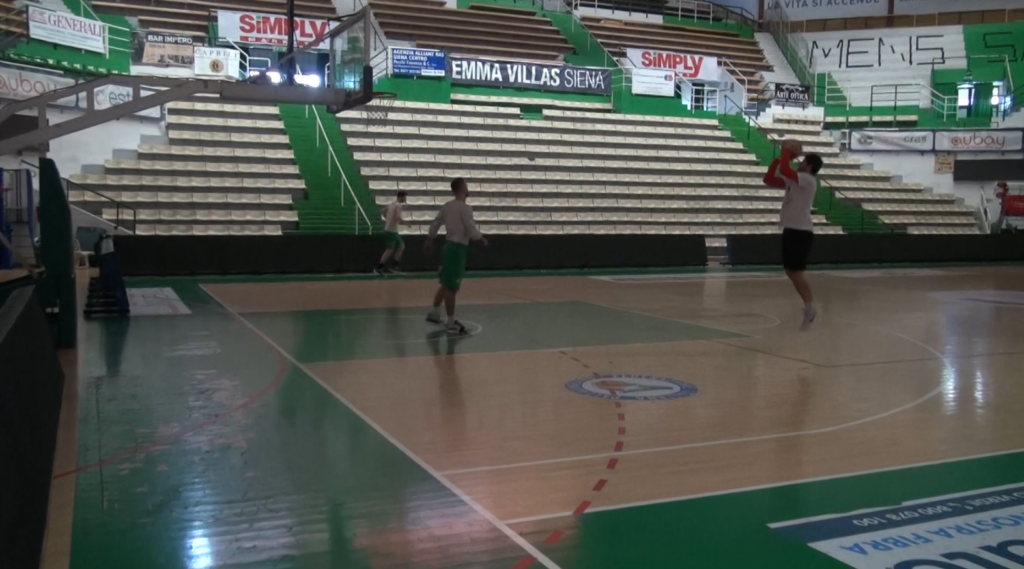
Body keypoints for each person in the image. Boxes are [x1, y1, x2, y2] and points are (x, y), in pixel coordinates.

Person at [762, 140, 824, 331]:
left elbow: (786, 170)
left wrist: (787, 153)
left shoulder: (808, 180)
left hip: (801, 231)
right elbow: (769, 179)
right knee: (791, 271)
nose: (800, 163)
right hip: (791, 229)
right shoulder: (795, 180)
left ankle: (811, 307)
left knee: (795, 271)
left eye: (803, 161)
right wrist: (778, 159)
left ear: (810, 166)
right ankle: (809, 306)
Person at [425, 178, 487, 335]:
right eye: (466, 185)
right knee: (451, 287)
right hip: (457, 249)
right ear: (462, 188)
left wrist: (430, 239)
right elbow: (471, 228)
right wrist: (481, 238)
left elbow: (435, 224)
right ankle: (451, 322)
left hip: (447, 247)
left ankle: (434, 313)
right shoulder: (465, 209)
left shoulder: (447, 206)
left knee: (446, 283)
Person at [376, 191, 408, 275]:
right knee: (390, 250)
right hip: (391, 230)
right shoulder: (398, 206)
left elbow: (382, 211)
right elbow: (397, 217)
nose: (405, 199)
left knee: (401, 245)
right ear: (401, 197)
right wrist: (406, 223)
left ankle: (394, 265)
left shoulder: (391, 204)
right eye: (404, 197)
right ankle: (381, 267)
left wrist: (388, 219)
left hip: (391, 230)